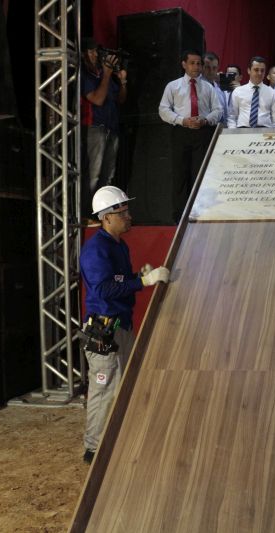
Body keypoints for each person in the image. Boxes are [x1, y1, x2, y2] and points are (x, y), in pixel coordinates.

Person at [79, 186, 170, 464]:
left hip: (121, 327)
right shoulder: (96, 250)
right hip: (105, 332)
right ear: (107, 218)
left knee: (122, 386)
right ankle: (93, 450)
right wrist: (141, 282)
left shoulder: (118, 245)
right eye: (123, 212)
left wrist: (136, 276)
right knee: (103, 391)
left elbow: (117, 281)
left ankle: (114, 441)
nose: (129, 216)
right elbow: (104, 289)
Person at [158, 49, 223, 222]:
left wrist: (206, 120)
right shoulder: (173, 86)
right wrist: (182, 120)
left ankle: (198, 213)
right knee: (180, 174)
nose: (196, 66)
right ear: (184, 64)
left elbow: (218, 110)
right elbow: (163, 109)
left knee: (199, 174)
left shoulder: (208, 87)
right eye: (192, 63)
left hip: (202, 133)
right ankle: (179, 216)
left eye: (199, 63)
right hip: (181, 132)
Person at [81, 38, 127, 218]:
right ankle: (85, 214)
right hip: (94, 128)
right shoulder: (85, 75)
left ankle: (101, 214)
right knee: (93, 174)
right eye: (90, 51)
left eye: (96, 52)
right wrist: (107, 74)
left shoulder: (103, 75)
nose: (94, 55)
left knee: (108, 175)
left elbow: (120, 99)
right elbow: (97, 99)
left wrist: (122, 81)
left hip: (112, 128)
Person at [227, 56, 275, 128]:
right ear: (249, 70)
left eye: (262, 70)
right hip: (242, 131)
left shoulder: (272, 93)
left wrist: (273, 136)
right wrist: (233, 134)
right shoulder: (238, 91)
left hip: (264, 133)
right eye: (256, 70)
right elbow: (232, 117)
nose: (259, 73)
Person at [203, 51, 228, 126]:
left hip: (221, 129)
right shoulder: (197, 87)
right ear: (202, 67)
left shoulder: (219, 89)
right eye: (207, 67)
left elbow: (225, 112)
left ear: (218, 68)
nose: (211, 71)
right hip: (205, 129)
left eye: (214, 67)